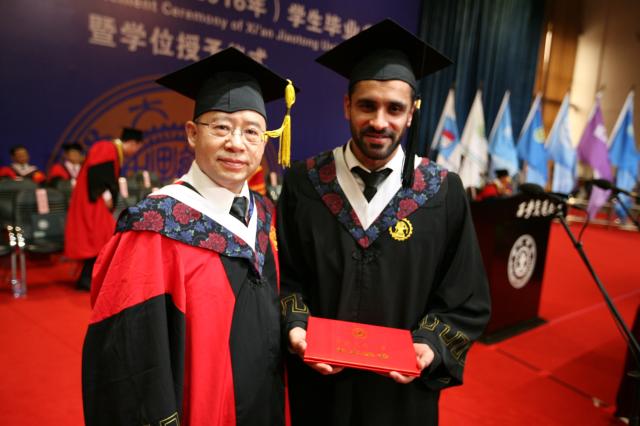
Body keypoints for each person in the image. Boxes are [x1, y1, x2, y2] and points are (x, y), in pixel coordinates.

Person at [277, 19, 491, 426]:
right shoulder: (305, 183)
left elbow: (465, 296)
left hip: (400, 398)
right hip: (320, 390)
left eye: (394, 108)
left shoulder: (442, 192)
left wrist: (430, 344)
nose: (379, 121)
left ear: (412, 113)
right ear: (347, 105)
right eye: (367, 105)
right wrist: (295, 325)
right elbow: (284, 276)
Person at [81, 47, 295, 425]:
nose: (237, 143)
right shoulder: (154, 227)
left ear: (265, 141)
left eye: (251, 131)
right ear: (192, 134)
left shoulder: (264, 214)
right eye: (221, 127)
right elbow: (128, 358)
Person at [64, 127, 143, 290]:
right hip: (92, 200)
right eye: (137, 148)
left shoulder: (113, 150)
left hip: (94, 199)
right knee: (102, 237)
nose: (135, 152)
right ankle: (86, 279)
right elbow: (98, 175)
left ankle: (88, 277)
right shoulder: (106, 148)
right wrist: (106, 195)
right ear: (133, 143)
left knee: (101, 238)